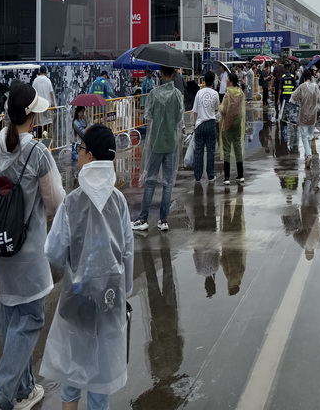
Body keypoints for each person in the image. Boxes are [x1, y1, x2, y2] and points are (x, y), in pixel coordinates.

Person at [0, 81, 65, 410]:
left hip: (0, 246)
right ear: (32, 118)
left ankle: (24, 389)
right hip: (28, 251)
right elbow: (55, 203)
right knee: (31, 320)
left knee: (13, 318)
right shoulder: (38, 152)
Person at [40, 125, 133, 410]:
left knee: (73, 363)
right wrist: (123, 291)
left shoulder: (72, 202)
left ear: (90, 157)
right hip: (109, 299)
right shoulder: (119, 202)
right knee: (101, 373)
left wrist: (73, 267)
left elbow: (53, 251)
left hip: (78, 298)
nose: (77, 155)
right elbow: (127, 251)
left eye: (80, 150)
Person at [132, 66, 185, 232]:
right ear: (174, 74)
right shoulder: (177, 95)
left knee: (151, 180)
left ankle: (143, 218)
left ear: (162, 74)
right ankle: (163, 220)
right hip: (171, 142)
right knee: (168, 182)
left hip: (156, 143)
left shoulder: (154, 94)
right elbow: (179, 119)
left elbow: (148, 115)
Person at [291, 71, 320, 169]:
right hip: (313, 116)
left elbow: (292, 98)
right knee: (310, 135)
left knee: (304, 136)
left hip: (304, 115)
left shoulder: (301, 87)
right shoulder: (315, 87)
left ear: (303, 77)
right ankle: (307, 156)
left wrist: (298, 102)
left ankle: (308, 154)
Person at [219, 72, 246, 186]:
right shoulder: (240, 93)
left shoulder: (228, 94)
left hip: (228, 124)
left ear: (230, 81)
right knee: (237, 147)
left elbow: (224, 110)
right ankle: (240, 175)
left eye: (227, 80)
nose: (226, 81)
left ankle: (226, 177)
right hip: (237, 123)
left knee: (226, 149)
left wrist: (219, 106)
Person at [193, 71, 220, 182]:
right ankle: (210, 175)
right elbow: (217, 108)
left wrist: (195, 125)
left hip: (199, 124)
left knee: (198, 151)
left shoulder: (199, 93)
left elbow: (195, 111)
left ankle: (198, 176)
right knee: (210, 151)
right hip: (211, 123)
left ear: (204, 81)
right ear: (213, 81)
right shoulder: (215, 94)